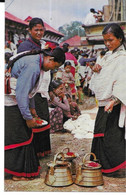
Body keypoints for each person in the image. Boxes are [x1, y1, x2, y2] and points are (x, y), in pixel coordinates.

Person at [5, 47, 65, 181]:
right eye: (53, 67)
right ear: (50, 59)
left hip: (16, 100)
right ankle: (16, 172)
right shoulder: (33, 66)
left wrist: (32, 109)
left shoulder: (37, 62)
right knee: (20, 136)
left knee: (23, 135)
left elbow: (31, 89)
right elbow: (21, 93)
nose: (51, 70)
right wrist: (27, 117)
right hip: (10, 101)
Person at [89, 23, 126, 176]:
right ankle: (102, 164)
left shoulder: (122, 59)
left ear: (120, 38)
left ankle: (114, 167)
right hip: (104, 102)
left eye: (110, 40)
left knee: (112, 135)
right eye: (105, 40)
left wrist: (115, 100)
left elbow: (122, 80)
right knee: (100, 132)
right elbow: (102, 77)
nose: (107, 44)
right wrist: (96, 69)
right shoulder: (107, 56)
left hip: (113, 103)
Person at [17, 17, 51, 158]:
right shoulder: (25, 46)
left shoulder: (41, 45)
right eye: (36, 30)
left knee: (42, 118)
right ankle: (34, 152)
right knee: (33, 120)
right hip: (28, 89)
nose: (39, 32)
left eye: (41, 30)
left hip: (41, 88)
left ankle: (42, 150)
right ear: (29, 30)